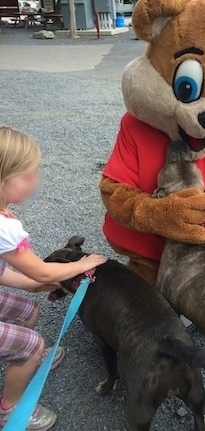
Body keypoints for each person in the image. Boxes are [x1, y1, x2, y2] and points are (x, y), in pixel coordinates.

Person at [0, 125, 106, 430]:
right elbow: (43, 271)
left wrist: (32, 285)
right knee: (32, 345)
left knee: (29, 309)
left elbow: (18, 274)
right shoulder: (4, 228)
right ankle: (10, 407)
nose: (36, 182)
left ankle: (22, 357)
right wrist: (85, 262)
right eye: (28, 175)